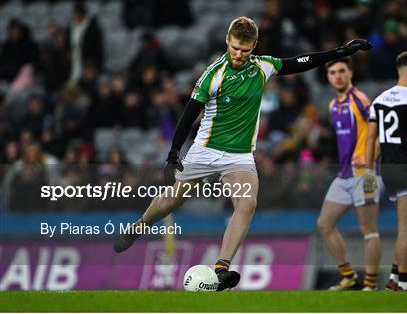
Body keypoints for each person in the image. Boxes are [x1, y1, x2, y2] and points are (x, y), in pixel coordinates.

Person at [113, 16, 372, 291]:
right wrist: (173, 153)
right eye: (235, 47)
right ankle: (139, 225)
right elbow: (188, 116)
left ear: (253, 47)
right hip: (205, 150)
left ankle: (221, 268)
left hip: (239, 156)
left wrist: (340, 51)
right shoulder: (213, 74)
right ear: (227, 40)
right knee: (170, 202)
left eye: (245, 50)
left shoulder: (263, 66)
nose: (238, 54)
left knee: (247, 203)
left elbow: (300, 62)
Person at [364, 51, 407, 291]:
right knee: (406, 228)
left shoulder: (380, 99)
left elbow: (372, 140)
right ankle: (402, 282)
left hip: (387, 169)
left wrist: (370, 174)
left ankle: (394, 276)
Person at [317, 57, 381, 291]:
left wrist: (371, 157)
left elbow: (380, 130)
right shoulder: (333, 105)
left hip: (366, 174)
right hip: (344, 174)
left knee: (368, 229)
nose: (337, 76)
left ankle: (370, 285)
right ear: (328, 77)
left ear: (351, 73)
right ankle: (349, 276)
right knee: (324, 224)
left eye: (342, 71)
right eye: (332, 72)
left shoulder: (360, 99)